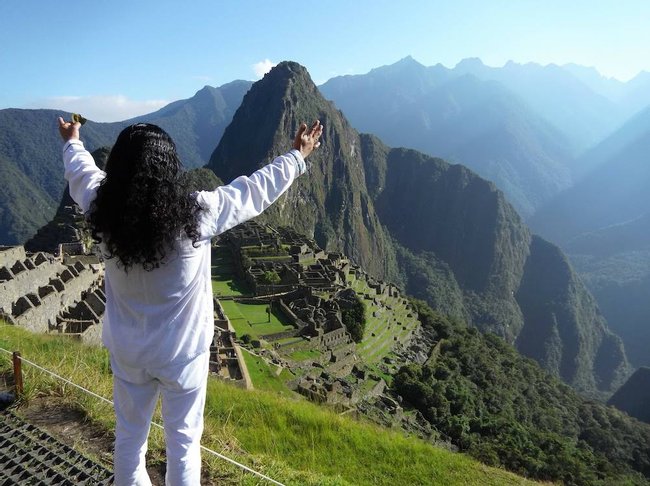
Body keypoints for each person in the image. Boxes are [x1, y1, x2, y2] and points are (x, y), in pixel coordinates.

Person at [57, 117, 323, 485]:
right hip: (182, 356)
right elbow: (254, 192)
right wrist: (297, 155)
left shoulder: (102, 210)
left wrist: (72, 140)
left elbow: (82, 171)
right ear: (170, 169)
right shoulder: (198, 213)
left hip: (129, 352)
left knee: (130, 438)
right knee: (183, 442)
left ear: (118, 166)